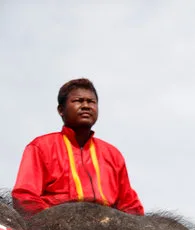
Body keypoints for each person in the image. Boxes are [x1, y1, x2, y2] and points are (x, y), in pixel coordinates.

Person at [12, 78, 144, 217]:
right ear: (61, 110)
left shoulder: (112, 154)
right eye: (78, 101)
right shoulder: (41, 147)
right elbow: (25, 197)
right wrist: (52, 224)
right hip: (57, 227)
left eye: (91, 101)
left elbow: (130, 206)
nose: (86, 105)